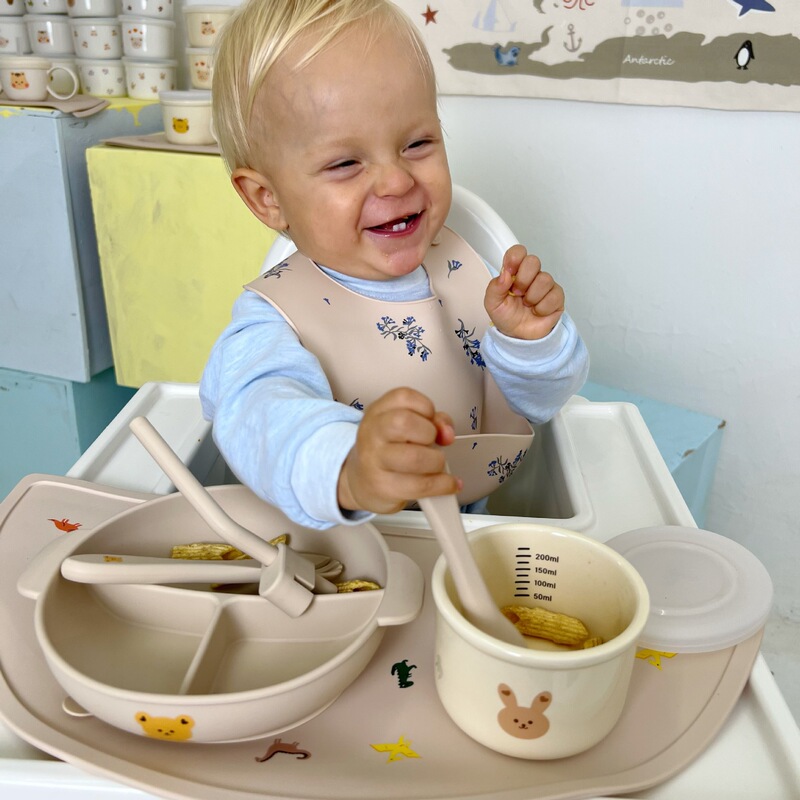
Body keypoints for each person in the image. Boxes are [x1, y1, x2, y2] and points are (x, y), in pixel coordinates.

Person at [200, 0, 589, 530]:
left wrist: (529, 345)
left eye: (417, 143)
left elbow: (541, 406)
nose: (396, 181)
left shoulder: (472, 272)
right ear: (267, 198)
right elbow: (257, 418)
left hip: (471, 534)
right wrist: (350, 466)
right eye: (345, 163)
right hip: (345, 554)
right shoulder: (273, 322)